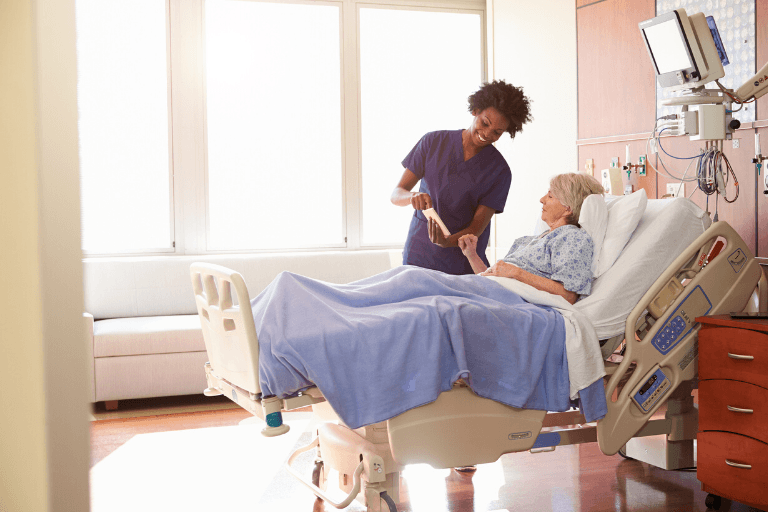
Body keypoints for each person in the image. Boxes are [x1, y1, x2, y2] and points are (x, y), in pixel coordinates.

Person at [391, 80, 533, 275]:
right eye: (485, 123)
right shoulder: (433, 142)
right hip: (419, 253)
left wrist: (446, 242)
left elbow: (476, 228)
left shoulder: (499, 171)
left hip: (462, 262)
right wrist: (412, 197)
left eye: (497, 132)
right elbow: (396, 194)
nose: (486, 134)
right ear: (475, 110)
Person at [458, 172, 605, 304]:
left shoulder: (572, 238)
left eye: (550, 196)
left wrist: (516, 273)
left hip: (510, 303)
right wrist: (471, 255)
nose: (542, 199)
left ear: (568, 208)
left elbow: (568, 296)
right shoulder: (528, 241)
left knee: (437, 293)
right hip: (490, 292)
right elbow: (492, 278)